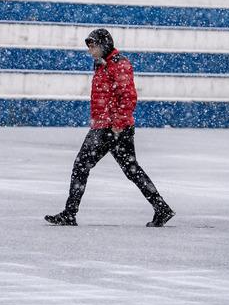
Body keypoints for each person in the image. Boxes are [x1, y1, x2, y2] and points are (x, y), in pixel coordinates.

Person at [45, 29, 175, 227]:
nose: (90, 51)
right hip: (107, 126)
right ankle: (162, 208)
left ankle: (70, 214)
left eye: (93, 46)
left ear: (104, 45)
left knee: (81, 166)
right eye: (89, 47)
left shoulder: (118, 64)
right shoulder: (102, 65)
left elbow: (128, 97)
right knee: (132, 170)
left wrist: (117, 126)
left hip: (111, 128)